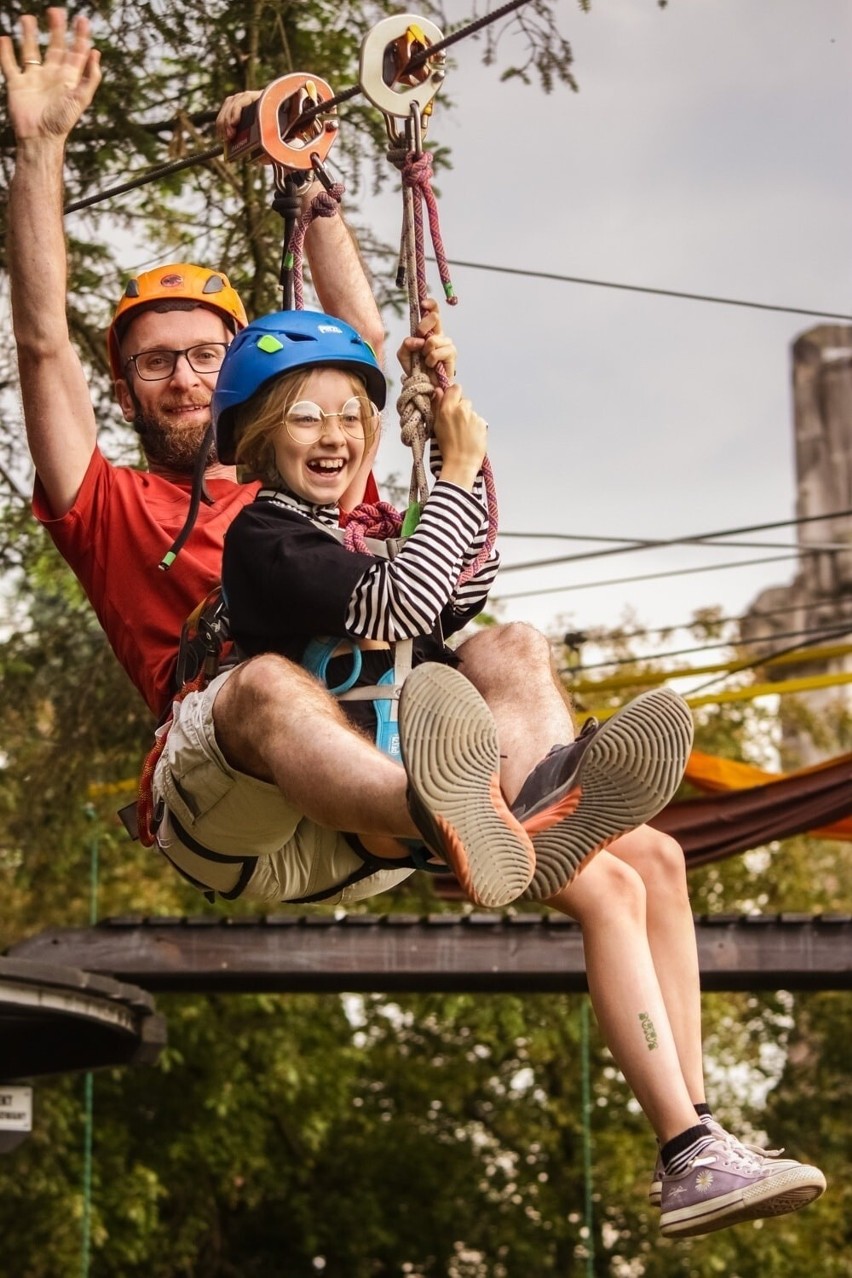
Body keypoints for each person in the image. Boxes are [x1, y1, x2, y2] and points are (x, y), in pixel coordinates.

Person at [1, 7, 826, 1239]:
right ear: (129, 387)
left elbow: (361, 358)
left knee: (634, 852)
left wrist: (316, 183)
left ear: (240, 386)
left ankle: (692, 1142)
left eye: (200, 355)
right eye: (153, 362)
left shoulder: (312, 475)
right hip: (235, 805)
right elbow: (40, 341)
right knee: (270, 688)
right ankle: (469, 820)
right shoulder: (110, 504)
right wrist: (42, 146)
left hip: (375, 775)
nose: (175, 376)